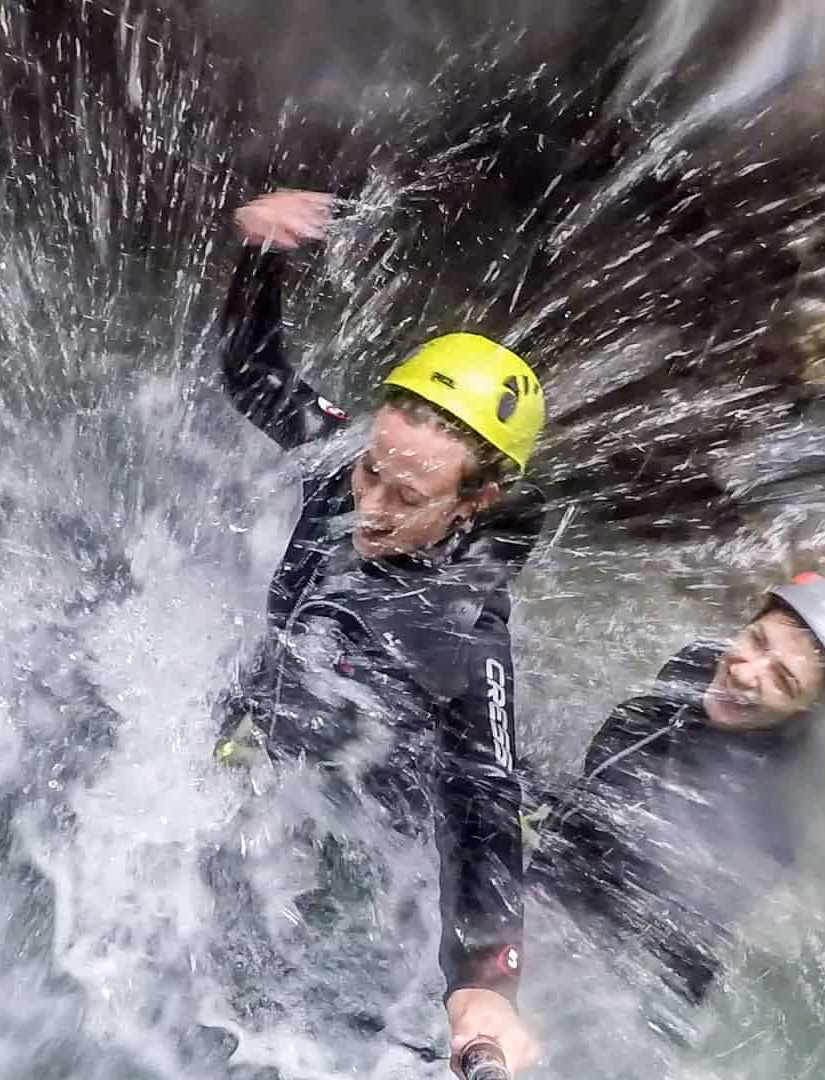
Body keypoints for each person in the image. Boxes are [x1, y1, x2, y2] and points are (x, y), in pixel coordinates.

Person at [208, 189, 544, 1075]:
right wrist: (262, 258)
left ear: (476, 501)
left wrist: (485, 986)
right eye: (369, 473)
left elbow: (486, 807)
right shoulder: (354, 461)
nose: (371, 508)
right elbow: (255, 376)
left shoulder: (470, 637)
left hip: (368, 795)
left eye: (408, 497)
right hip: (273, 718)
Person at [525, 573, 825, 1005]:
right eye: (758, 641)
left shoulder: (755, 811)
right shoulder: (697, 667)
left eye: (783, 680)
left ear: (807, 710)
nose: (743, 672)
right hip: (581, 846)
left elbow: (642, 912)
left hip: (624, 949)